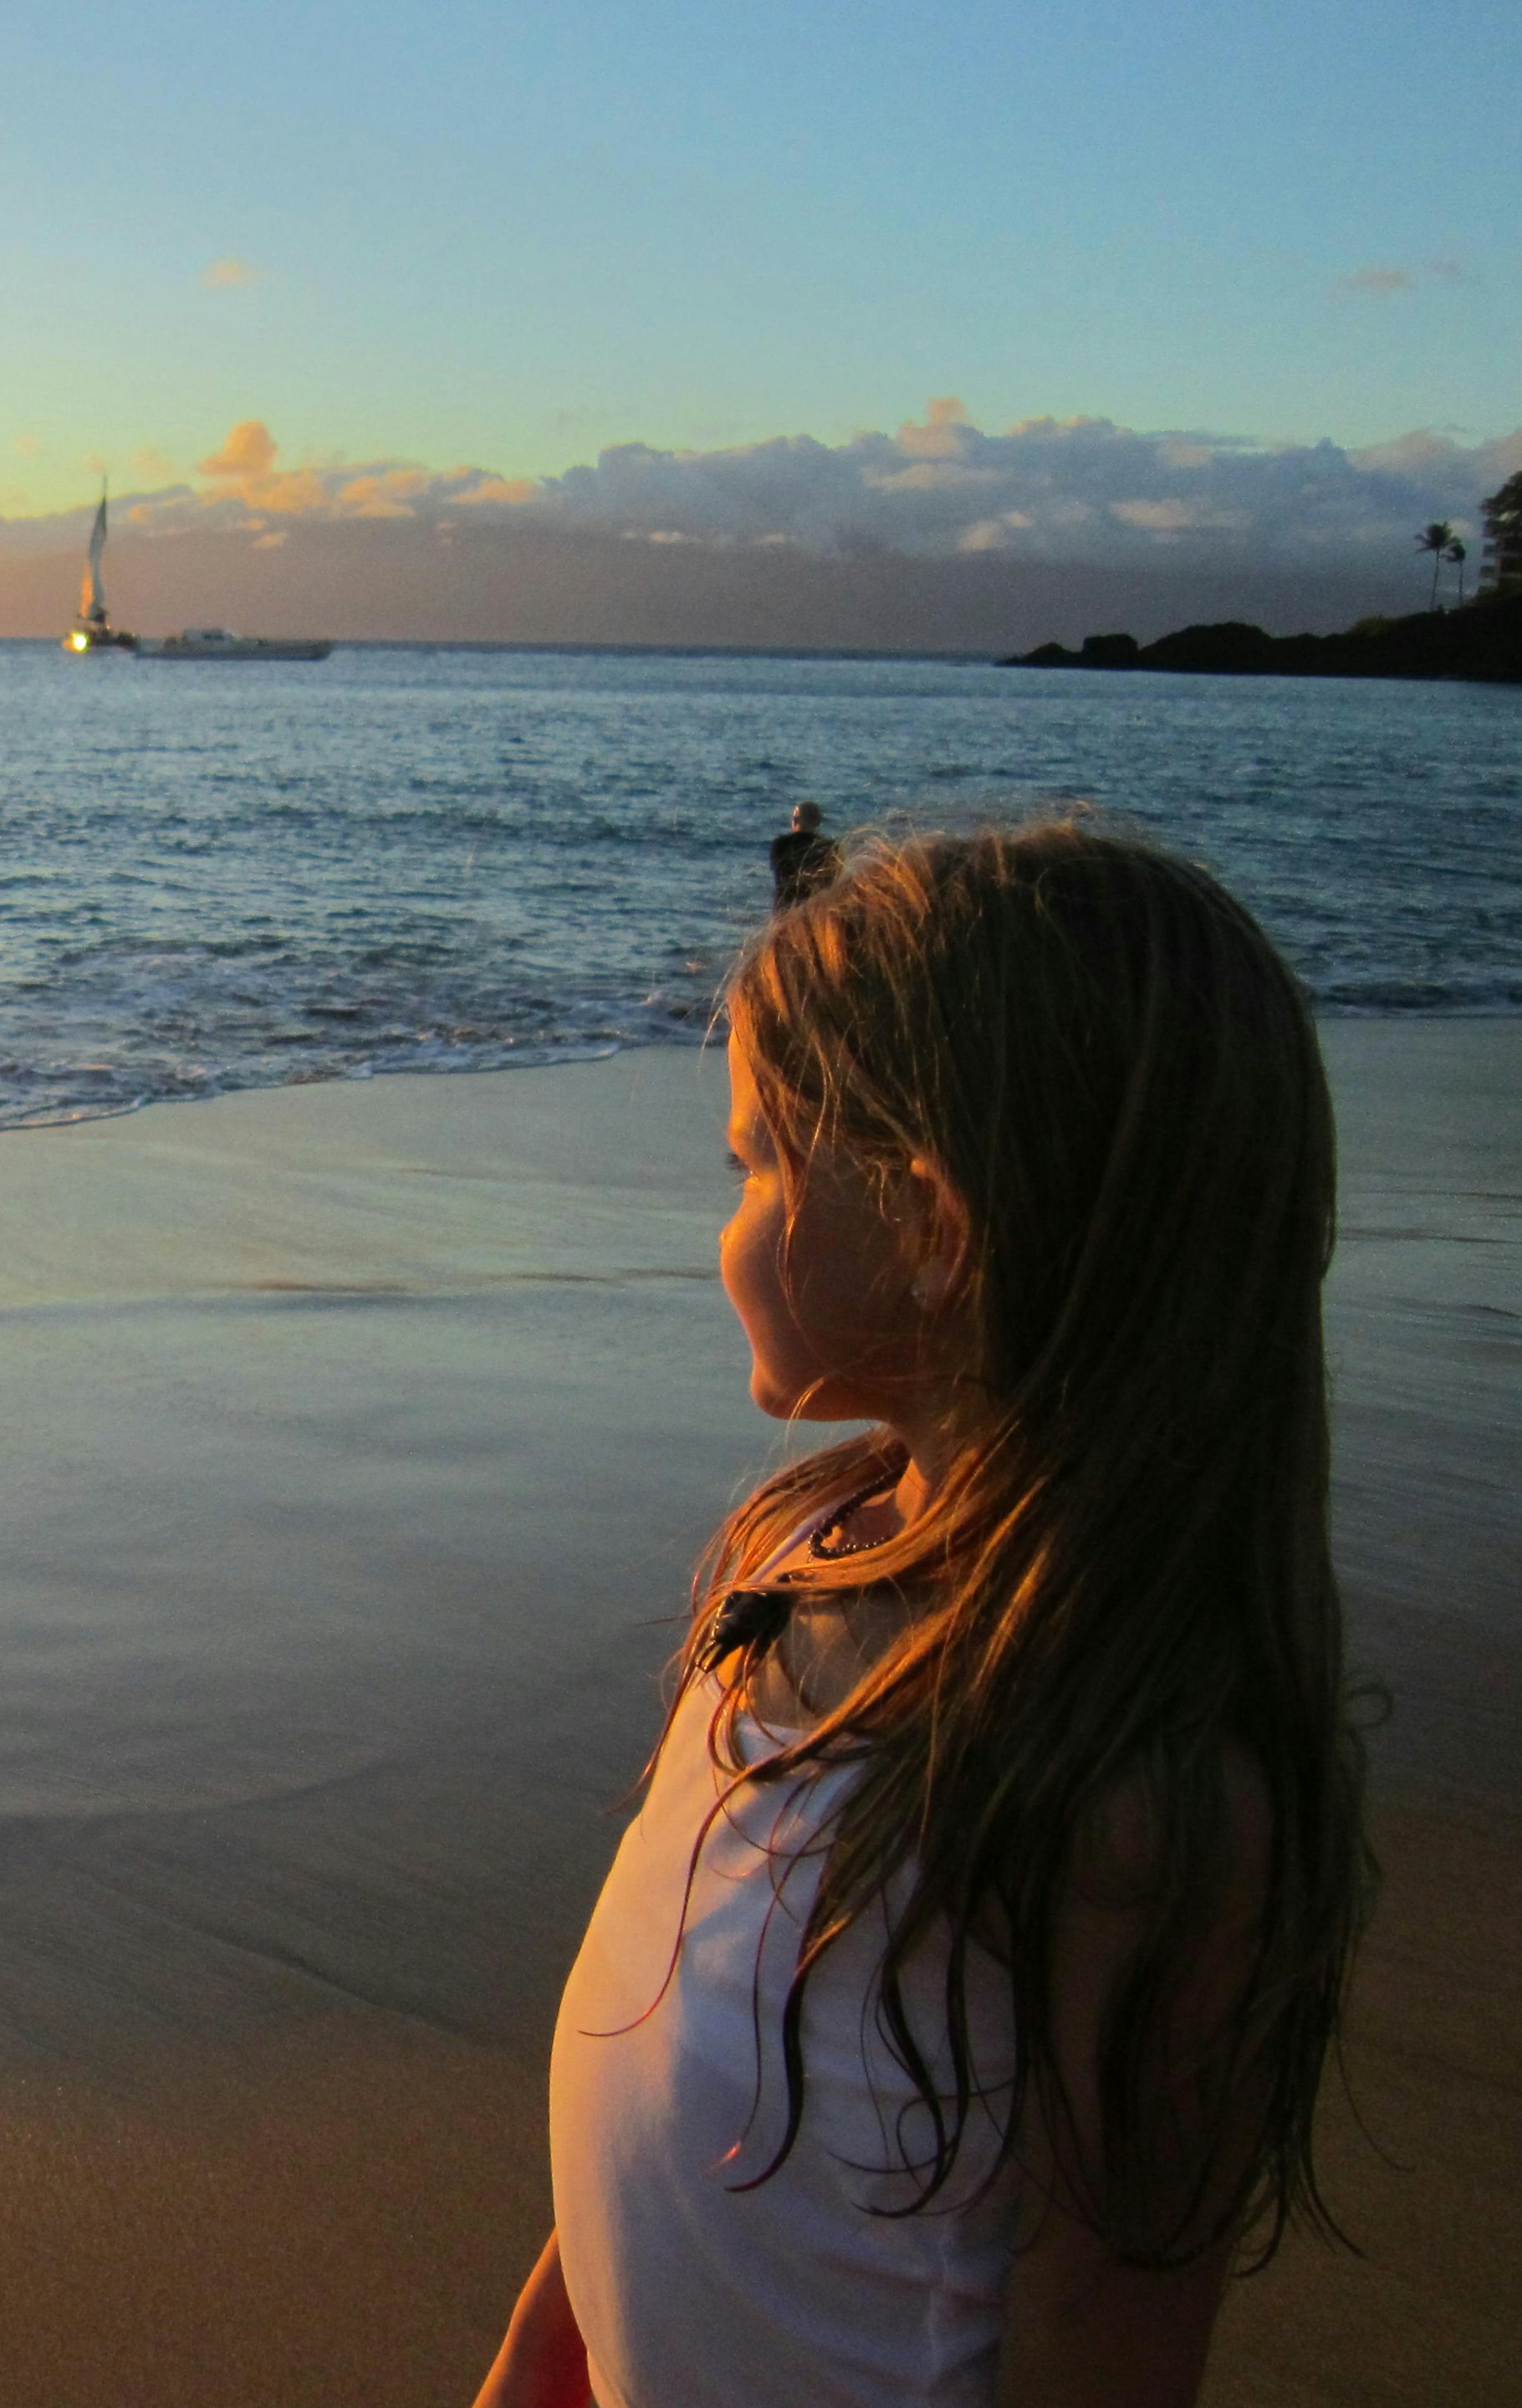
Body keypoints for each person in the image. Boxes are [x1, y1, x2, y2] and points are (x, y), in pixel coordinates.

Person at [474, 822, 1366, 2408]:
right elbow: (648, 2074)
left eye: (757, 1163)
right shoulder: (800, 1552)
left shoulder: (1127, 1792)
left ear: (932, 1230)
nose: (728, 1221)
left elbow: (1103, 2339)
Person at [769, 801, 840, 907]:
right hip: (818, 910)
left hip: (787, 909)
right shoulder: (829, 847)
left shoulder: (781, 845)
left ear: (796, 820)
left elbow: (780, 877)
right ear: (818, 822)